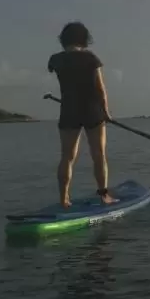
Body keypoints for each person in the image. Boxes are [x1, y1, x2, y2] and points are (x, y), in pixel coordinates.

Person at [47, 21, 115, 208]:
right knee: (98, 154)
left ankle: (64, 200)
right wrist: (106, 112)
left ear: (64, 39)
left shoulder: (55, 59)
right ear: (84, 38)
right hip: (92, 110)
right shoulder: (90, 58)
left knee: (67, 157)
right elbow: (100, 89)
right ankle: (104, 196)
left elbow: (57, 71)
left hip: (69, 110)